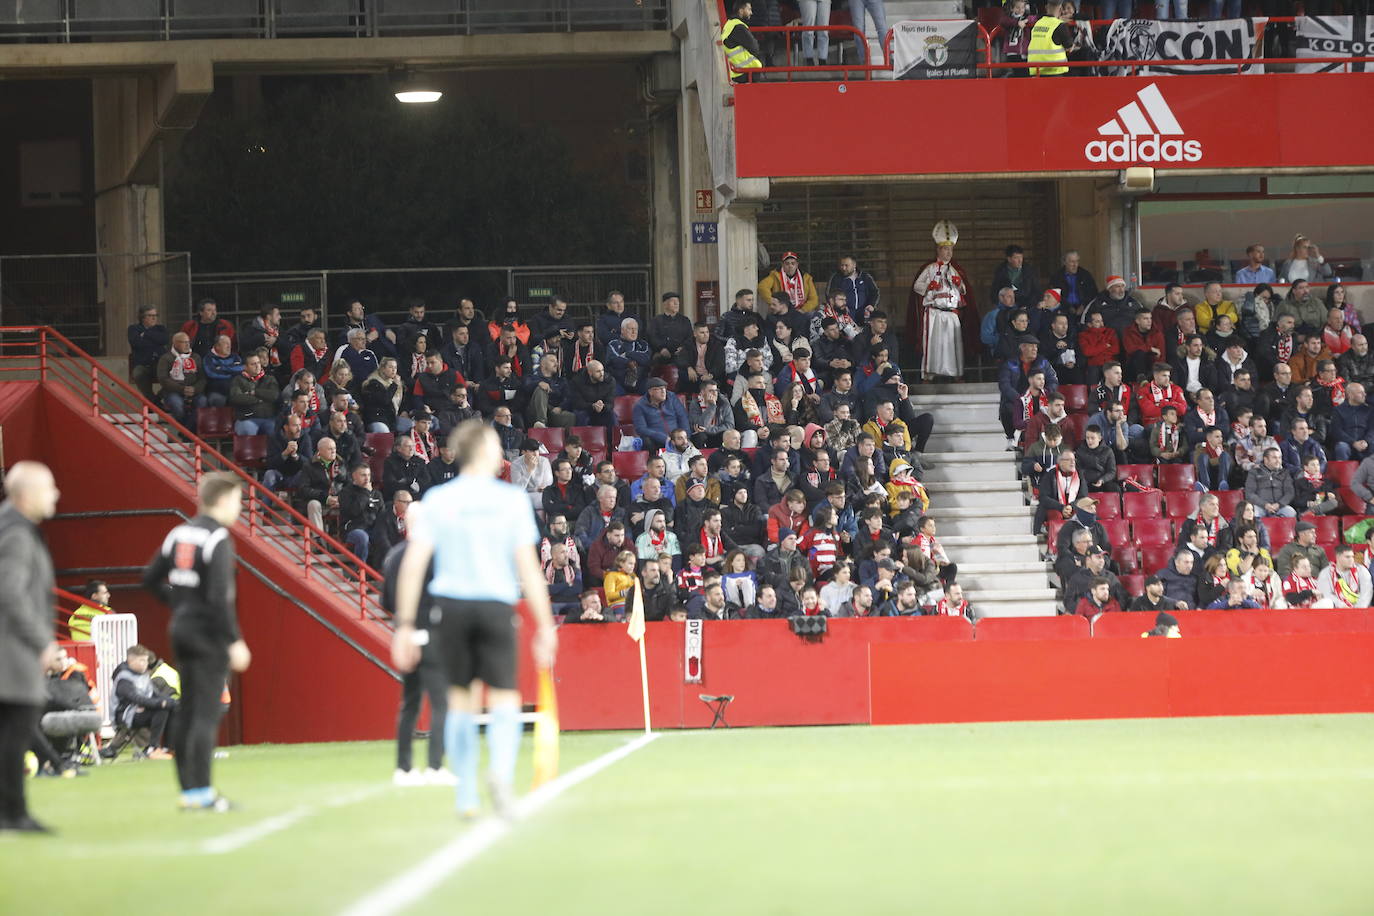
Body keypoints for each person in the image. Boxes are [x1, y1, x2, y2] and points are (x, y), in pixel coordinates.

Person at [391, 421, 556, 818]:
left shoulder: (437, 499)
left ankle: (466, 795)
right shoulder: (511, 500)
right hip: (496, 604)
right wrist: (546, 625)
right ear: (483, 451)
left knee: (461, 701)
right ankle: (499, 772)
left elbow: (414, 565)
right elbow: (529, 568)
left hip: (450, 606)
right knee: (504, 698)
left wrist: (405, 626)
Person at [140, 473, 251, 812]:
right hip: (207, 636)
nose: (240, 507)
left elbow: (149, 578)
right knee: (205, 714)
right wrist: (234, 641)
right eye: (237, 500)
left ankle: (189, 790)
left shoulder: (179, 532)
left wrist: (179, 604)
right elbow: (220, 598)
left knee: (188, 712)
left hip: (181, 630)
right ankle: (202, 792)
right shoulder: (217, 538)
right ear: (222, 500)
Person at [0, 463, 59, 832]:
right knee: (15, 732)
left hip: (13, 647)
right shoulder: (17, 534)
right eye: (50, 487)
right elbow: (10, 592)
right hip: (13, 650)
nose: (56, 494)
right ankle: (13, 813)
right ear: (26, 495)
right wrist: (42, 641)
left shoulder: (12, 527)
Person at [909, 221, 977, 381]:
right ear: (939, 250)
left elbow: (964, 291)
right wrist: (928, 285)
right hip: (934, 312)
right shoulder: (930, 268)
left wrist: (959, 282)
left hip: (951, 313)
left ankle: (956, 374)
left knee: (953, 346)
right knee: (933, 346)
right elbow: (917, 287)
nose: (949, 253)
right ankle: (929, 375)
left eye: (951, 249)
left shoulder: (956, 270)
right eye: (946, 249)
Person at [110, 645, 176, 760]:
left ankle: (168, 748)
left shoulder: (143, 676)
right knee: (161, 709)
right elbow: (136, 698)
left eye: (145, 660)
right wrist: (159, 704)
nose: (145, 663)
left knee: (173, 709)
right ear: (131, 661)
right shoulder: (124, 678)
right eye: (141, 660)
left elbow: (156, 695)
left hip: (139, 712)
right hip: (125, 716)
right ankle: (152, 749)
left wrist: (172, 702)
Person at [128, 305, 169, 400]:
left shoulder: (161, 328)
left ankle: (155, 402)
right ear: (142, 317)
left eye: (156, 315)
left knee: (176, 377)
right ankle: (156, 404)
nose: (154, 318)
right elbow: (137, 343)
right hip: (143, 364)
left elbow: (164, 340)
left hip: (160, 364)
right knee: (138, 373)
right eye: (150, 315)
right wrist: (155, 340)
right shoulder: (133, 329)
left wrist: (146, 333)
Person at [1245, 447, 1297, 518]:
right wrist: (1265, 505)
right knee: (1254, 513)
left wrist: (1279, 504)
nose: (1278, 461)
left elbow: (1290, 492)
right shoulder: (1254, 472)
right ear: (1266, 460)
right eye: (1274, 458)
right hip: (1260, 506)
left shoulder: (1285, 473)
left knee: (1291, 512)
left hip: (1279, 507)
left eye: (1279, 458)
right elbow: (1249, 493)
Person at [721, 1, 762, 81]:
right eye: (749, 9)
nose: (751, 13)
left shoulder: (729, 25)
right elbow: (755, 48)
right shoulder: (738, 26)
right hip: (745, 73)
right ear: (741, 11)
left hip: (737, 72)